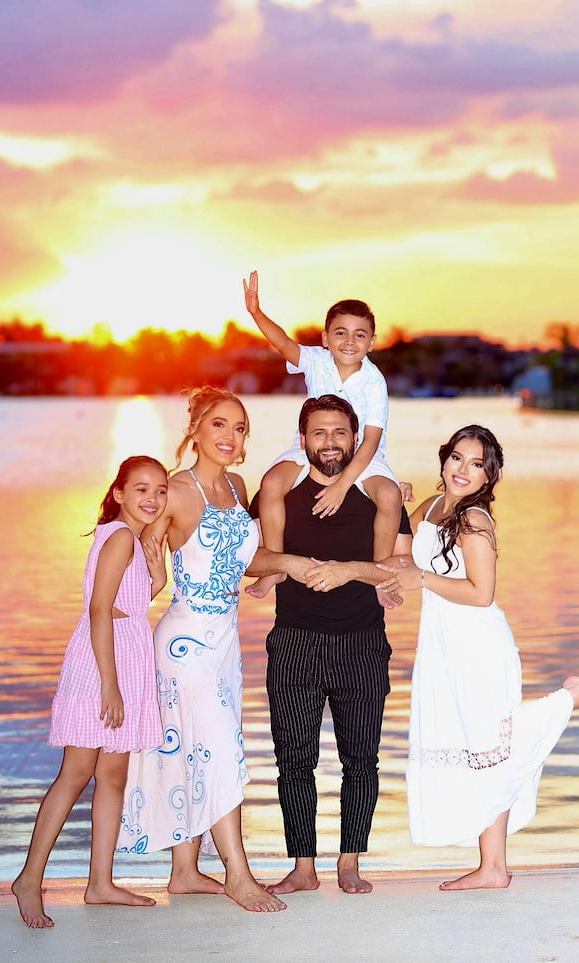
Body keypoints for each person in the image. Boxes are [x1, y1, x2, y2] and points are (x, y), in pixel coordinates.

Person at [375, 425, 579, 890]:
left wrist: (420, 581)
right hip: (441, 647)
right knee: (479, 752)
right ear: (443, 458)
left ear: (490, 476)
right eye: (456, 458)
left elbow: (481, 594)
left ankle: (569, 698)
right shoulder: (432, 506)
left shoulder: (474, 520)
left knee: (493, 746)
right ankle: (493, 867)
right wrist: (390, 506)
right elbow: (401, 556)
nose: (462, 470)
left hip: (478, 646)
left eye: (476, 464)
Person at [117, 387, 286, 913]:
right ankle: (238, 873)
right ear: (195, 429)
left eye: (239, 429)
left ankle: (185, 872)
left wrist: (284, 566)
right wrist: (145, 563)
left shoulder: (237, 487)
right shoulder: (174, 489)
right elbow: (140, 557)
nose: (230, 437)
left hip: (226, 642)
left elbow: (245, 560)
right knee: (217, 750)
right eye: (219, 425)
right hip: (183, 643)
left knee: (198, 748)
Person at [245, 394, 411, 896]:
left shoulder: (377, 494)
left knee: (361, 759)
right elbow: (248, 559)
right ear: (303, 441)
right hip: (293, 642)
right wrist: (288, 564)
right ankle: (302, 866)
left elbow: (403, 563)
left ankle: (349, 862)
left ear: (355, 439)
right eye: (319, 432)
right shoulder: (284, 490)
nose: (330, 442)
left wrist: (350, 572)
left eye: (340, 432)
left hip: (362, 643)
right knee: (293, 759)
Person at [12, 455, 170, 928]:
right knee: (76, 773)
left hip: (127, 651)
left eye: (161, 490)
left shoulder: (131, 541)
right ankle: (28, 879)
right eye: (141, 489)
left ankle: (100, 882)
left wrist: (156, 577)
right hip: (104, 660)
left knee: (114, 775)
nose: (153, 498)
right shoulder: (120, 537)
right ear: (118, 493)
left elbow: (127, 603)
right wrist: (110, 685)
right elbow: (100, 610)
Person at [243, 270, 405, 599]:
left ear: (372, 342)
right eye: (341, 333)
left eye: (360, 335)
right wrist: (256, 312)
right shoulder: (316, 361)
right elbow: (283, 343)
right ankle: (275, 567)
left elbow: (372, 439)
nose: (349, 341)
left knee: (389, 496)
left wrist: (344, 485)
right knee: (272, 483)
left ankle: (379, 576)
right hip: (310, 449)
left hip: (362, 455)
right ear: (325, 338)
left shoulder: (374, 382)